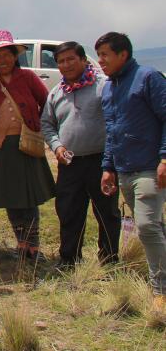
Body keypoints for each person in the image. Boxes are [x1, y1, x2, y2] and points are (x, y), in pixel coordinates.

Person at [97, 32, 166, 309]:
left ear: (123, 54)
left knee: (148, 226)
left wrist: (164, 157)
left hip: (149, 167)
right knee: (152, 226)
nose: (100, 61)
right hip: (124, 170)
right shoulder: (109, 88)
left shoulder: (148, 78)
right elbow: (112, 132)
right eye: (98, 55)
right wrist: (107, 167)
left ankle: (160, 292)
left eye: (105, 55)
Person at [0, 30, 55, 260]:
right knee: (13, 199)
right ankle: (21, 243)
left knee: (29, 199)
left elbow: (47, 103)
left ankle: (34, 246)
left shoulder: (28, 78)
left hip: (26, 146)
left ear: (14, 55)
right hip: (0, 149)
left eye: (7, 54)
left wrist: (39, 127)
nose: (3, 60)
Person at [41, 41, 119, 267]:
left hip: (101, 162)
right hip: (70, 164)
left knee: (107, 214)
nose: (66, 65)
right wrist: (57, 146)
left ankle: (109, 261)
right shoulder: (57, 93)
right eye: (61, 61)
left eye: (71, 59)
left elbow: (115, 122)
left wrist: (110, 164)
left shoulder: (104, 86)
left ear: (84, 60)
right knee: (68, 212)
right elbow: (47, 123)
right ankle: (69, 260)